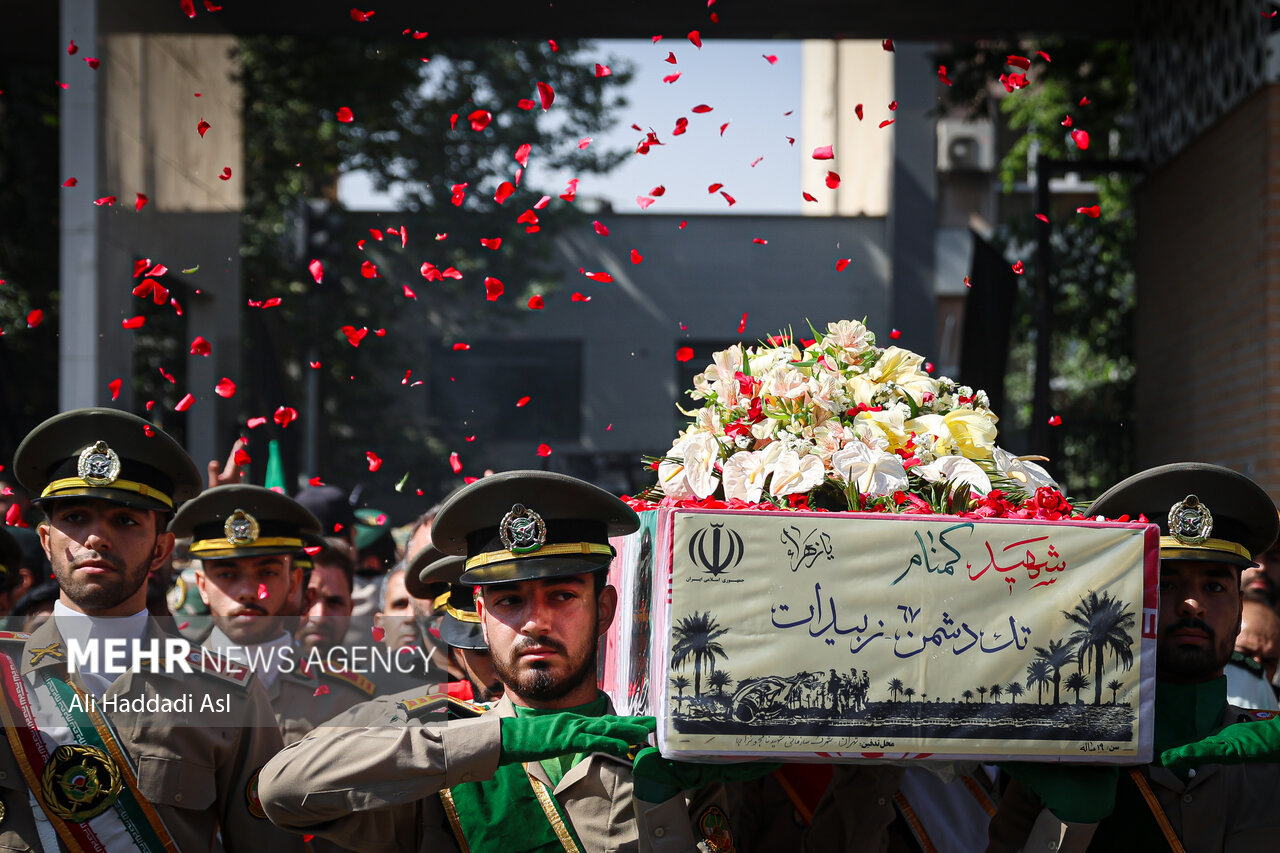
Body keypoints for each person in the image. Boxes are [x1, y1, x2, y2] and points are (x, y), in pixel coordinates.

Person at [260, 470, 752, 852]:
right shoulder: (440, 735)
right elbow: (281, 791)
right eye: (509, 601)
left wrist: (660, 809)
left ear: (604, 609)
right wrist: (500, 740)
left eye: (561, 595)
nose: (536, 622)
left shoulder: (664, 741)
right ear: (482, 614)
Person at [1, 407, 302, 852]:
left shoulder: (229, 692)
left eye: (125, 520)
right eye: (76, 517)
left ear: (161, 548)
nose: (97, 538)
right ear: (47, 540)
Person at [988, 462, 1280, 851]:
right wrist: (1071, 820)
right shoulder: (1060, 756)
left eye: (1213, 585)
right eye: (1165, 582)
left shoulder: (1268, 757)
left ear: (1241, 609)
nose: (1192, 605)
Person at [173, 484, 373, 744]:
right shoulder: (164, 691)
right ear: (202, 586)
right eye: (227, 574)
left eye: (267, 572)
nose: (247, 592)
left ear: (294, 582)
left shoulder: (349, 701)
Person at [295, 536, 357, 658]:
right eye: (307, 600)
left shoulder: (368, 677)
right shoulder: (255, 672)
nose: (319, 617)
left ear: (350, 610)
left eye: (334, 602)